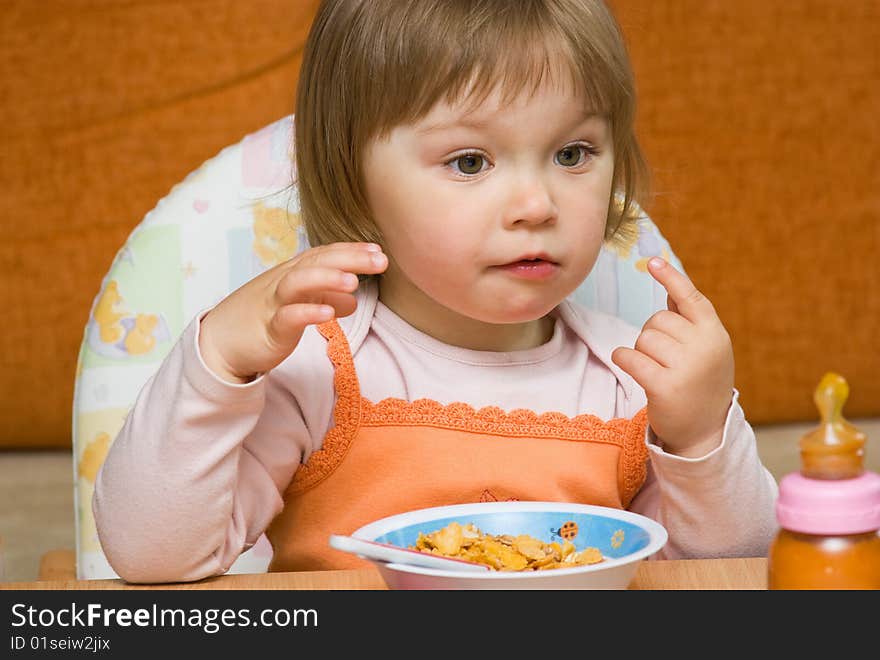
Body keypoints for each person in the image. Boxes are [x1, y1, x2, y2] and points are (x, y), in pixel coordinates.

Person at [93, 0, 778, 583]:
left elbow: (725, 578)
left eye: (573, 154)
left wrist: (699, 436)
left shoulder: (638, 380)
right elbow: (153, 557)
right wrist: (220, 361)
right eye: (470, 161)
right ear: (354, 179)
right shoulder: (315, 370)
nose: (537, 204)